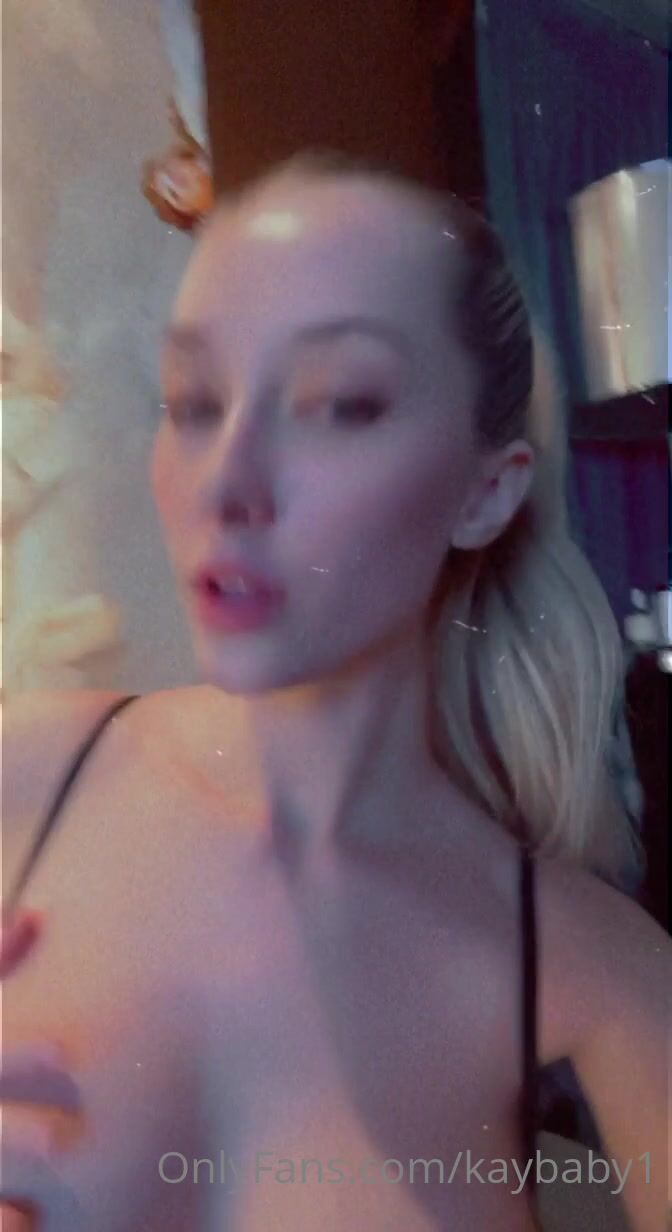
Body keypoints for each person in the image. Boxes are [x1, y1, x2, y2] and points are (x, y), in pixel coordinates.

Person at [1, 152, 670, 1232]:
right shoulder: (23, 783)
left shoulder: (600, 974)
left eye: (338, 405)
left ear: (483, 491)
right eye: (194, 401)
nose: (226, 479)